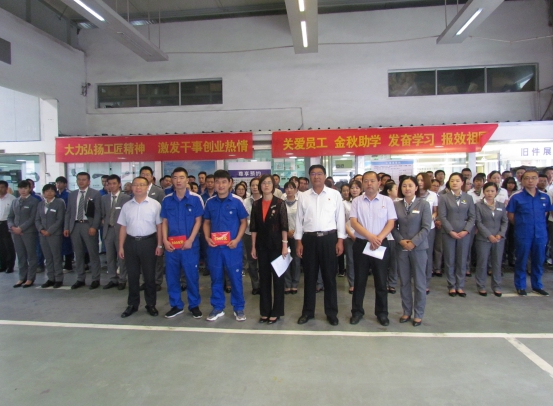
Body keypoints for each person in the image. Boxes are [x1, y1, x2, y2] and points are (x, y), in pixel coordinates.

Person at [295, 165, 346, 326]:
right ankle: (307, 312)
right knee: (309, 277)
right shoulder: (303, 196)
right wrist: (298, 241)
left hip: (329, 239)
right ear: (309, 176)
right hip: (309, 240)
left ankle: (331, 313)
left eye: (319, 173)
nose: (316, 176)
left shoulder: (334, 194)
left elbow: (340, 218)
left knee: (329, 277)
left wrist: (340, 240)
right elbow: (299, 220)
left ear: (324, 176)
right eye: (313, 174)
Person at [349, 171, 397, 326]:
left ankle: (382, 313)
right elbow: (354, 222)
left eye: (372, 181)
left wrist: (379, 238)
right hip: (362, 244)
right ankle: (357, 312)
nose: (369, 184)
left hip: (380, 244)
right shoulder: (357, 201)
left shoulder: (386, 200)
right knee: (359, 280)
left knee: (381, 281)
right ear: (362, 183)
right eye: (366, 181)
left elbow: (391, 222)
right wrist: (370, 237)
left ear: (379, 183)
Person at [203, 170, 249, 322]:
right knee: (216, 278)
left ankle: (239, 308)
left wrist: (237, 239)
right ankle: (217, 307)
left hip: (232, 247)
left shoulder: (237, 201)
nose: (220, 185)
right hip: (215, 248)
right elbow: (206, 222)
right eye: (217, 182)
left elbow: (243, 222)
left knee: (235, 278)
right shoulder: (210, 202)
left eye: (224, 182)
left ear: (230, 183)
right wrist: (207, 237)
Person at [161, 167, 204, 319]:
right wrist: (165, 240)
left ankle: (194, 305)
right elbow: (164, 222)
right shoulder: (167, 200)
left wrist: (191, 240)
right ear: (172, 180)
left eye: (181, 177)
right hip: (172, 246)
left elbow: (198, 221)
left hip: (189, 246)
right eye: (175, 178)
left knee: (192, 276)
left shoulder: (195, 199)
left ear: (187, 180)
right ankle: (176, 305)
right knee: (172, 276)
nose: (178, 181)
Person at [118, 177, 163, 318]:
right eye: (135, 185)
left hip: (149, 242)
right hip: (130, 243)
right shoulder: (127, 206)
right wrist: (121, 246)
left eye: (142, 185)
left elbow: (159, 226)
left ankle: (151, 304)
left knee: (149, 276)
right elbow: (123, 227)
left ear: (147, 187)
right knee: (132, 276)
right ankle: (132, 304)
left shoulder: (155, 205)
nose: (138, 187)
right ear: (132, 187)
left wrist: (159, 244)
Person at [392, 176, 431, 326]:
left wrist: (413, 242)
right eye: (404, 186)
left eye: (410, 185)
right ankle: (406, 311)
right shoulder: (396, 205)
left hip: (419, 248)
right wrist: (401, 241)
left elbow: (426, 227)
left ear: (416, 188)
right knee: (404, 281)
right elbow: (393, 227)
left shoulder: (424, 204)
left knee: (420, 283)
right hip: (402, 248)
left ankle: (418, 314)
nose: (407, 188)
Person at [250, 174, 289, 324]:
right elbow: (254, 228)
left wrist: (284, 245)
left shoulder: (279, 203)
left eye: (269, 183)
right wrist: (253, 246)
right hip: (262, 246)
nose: (266, 185)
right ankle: (265, 311)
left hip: (277, 246)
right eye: (263, 183)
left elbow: (284, 226)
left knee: (278, 279)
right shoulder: (256, 204)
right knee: (264, 279)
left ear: (273, 186)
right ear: (260, 186)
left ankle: (276, 311)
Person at [507, 170, 552, 296]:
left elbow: (545, 213)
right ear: (522, 180)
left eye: (533, 178)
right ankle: (520, 286)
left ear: (538, 180)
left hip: (540, 234)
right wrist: (522, 225)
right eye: (527, 178)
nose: (530, 181)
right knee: (521, 260)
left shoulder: (545, 196)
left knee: (538, 260)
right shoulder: (516, 197)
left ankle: (537, 285)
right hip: (523, 233)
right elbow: (511, 216)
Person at [439, 173, 475, 297]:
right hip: (449, 233)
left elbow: (472, 216)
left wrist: (466, 230)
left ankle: (460, 286)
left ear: (462, 183)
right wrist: (451, 231)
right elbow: (442, 216)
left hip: (464, 233)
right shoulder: (443, 197)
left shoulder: (468, 198)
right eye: (452, 180)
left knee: (462, 259)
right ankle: (451, 286)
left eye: (457, 180)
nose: (454, 183)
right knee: (450, 260)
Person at [63, 172, 102, 289]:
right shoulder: (72, 194)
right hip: (75, 226)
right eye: (79, 179)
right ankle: (80, 278)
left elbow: (98, 212)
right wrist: (66, 227)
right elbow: (68, 212)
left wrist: (94, 226)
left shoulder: (95, 194)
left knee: (93, 253)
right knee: (78, 254)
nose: (81, 181)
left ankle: (95, 279)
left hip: (88, 225)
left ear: (89, 181)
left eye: (84, 179)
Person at [475, 182, 508, 297]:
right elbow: (478, 222)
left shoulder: (501, 205)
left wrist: (500, 234)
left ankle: (497, 286)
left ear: (496, 192)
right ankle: (481, 285)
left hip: (498, 239)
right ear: (483, 192)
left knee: (497, 263)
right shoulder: (478, 205)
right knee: (482, 262)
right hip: (483, 238)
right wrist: (489, 235)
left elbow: (504, 221)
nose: (490, 193)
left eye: (492, 191)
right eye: (487, 191)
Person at [100, 174, 131, 290]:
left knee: (121, 256)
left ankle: (122, 279)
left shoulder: (126, 198)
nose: (111, 186)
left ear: (119, 184)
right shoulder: (104, 198)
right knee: (109, 257)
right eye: (109, 184)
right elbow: (102, 213)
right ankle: (112, 279)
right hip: (108, 230)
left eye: (114, 183)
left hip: (121, 231)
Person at [8, 180, 39, 288]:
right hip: (15, 233)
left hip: (28, 232)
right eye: (21, 188)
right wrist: (12, 227)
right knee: (20, 255)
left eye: (25, 188)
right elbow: (10, 217)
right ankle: (22, 277)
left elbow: (32, 218)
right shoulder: (15, 201)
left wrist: (21, 228)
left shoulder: (34, 201)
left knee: (31, 255)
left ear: (29, 189)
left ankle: (30, 278)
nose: (23, 191)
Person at [35, 184, 66, 288]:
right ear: (43, 193)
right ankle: (51, 278)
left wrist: (50, 231)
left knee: (56, 257)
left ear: (55, 192)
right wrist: (41, 230)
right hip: (42, 235)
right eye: (47, 191)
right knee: (48, 257)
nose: (49, 193)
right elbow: (37, 219)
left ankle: (59, 279)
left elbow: (60, 220)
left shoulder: (59, 203)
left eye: (52, 191)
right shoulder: (40, 204)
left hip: (54, 234)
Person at [140, 165, 165, 291]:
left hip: (156, 228)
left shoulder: (158, 191)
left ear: (152, 177)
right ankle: (146, 280)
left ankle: (157, 281)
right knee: (144, 257)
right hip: (141, 229)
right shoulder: (137, 190)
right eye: (142, 174)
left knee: (157, 257)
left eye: (147, 174)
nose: (145, 176)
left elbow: (162, 211)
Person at [416, 172, 438, 291]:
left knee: (427, 255)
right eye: (418, 180)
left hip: (429, 228)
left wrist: (431, 217)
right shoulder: (412, 194)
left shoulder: (433, 195)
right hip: (414, 228)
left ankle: (426, 282)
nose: (420, 182)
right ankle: (417, 281)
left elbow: (436, 211)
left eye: (422, 180)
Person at [243, 177, 261, 295]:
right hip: (248, 234)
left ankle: (264, 285)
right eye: (252, 185)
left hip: (263, 235)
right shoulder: (245, 201)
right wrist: (254, 223)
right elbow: (244, 218)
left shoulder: (265, 200)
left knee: (263, 260)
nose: (254, 187)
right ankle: (255, 285)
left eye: (257, 185)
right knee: (252, 261)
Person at [344, 180, 362, 294]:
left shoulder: (364, 202)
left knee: (361, 261)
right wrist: (351, 234)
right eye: (352, 188)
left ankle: (360, 283)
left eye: (357, 188)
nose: (354, 190)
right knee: (350, 261)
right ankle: (352, 284)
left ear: (361, 189)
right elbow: (342, 220)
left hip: (363, 236)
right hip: (349, 235)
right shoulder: (344, 204)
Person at [283, 181, 301, 295]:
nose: (289, 190)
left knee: (296, 260)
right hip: (284, 235)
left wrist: (295, 231)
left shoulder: (300, 203)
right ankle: (287, 284)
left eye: (291, 188)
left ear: (295, 190)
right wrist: (286, 231)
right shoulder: (281, 203)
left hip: (296, 235)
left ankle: (295, 284)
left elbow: (302, 219)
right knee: (285, 259)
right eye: (287, 188)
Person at [55, 176, 74, 272]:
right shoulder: (55, 194)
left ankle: (68, 263)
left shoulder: (68, 195)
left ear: (65, 184)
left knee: (67, 244)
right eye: (57, 183)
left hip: (66, 222)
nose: (58, 185)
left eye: (60, 183)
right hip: (56, 222)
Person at [0, 180, 16, 274]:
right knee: (1, 246)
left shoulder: (12, 199)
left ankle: (10, 266)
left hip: (7, 223)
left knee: (8, 245)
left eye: (2, 187)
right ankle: (3, 265)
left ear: (6, 188)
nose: (0, 189)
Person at [502, 176, 518, 267]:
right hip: (503, 218)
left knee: (512, 240)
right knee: (503, 240)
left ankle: (512, 259)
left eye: (512, 183)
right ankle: (503, 259)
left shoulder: (516, 194)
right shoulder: (502, 192)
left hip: (512, 219)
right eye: (509, 183)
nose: (511, 185)